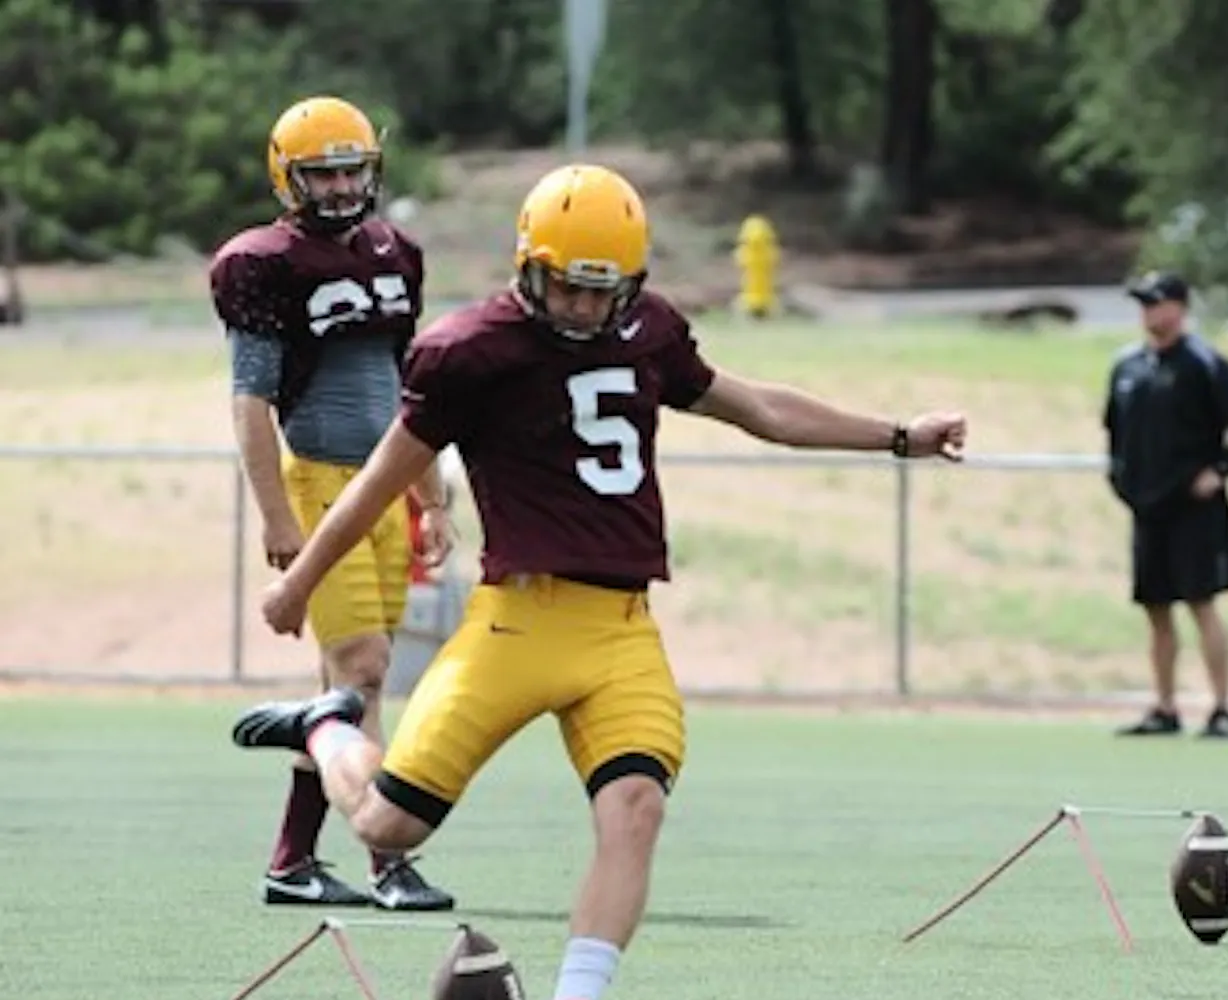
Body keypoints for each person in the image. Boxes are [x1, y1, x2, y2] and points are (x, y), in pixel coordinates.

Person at [229, 162, 967, 1000]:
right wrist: (299, 584)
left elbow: (762, 410)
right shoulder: (469, 351)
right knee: (387, 823)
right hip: (516, 623)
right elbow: (373, 484)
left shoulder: (648, 330)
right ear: (528, 266)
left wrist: (901, 436)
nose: (584, 307)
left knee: (636, 812)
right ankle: (326, 730)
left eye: (601, 290)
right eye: (567, 287)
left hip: (621, 629)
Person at [210, 95, 456, 910]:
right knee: (365, 669)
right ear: (290, 179)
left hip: (387, 486)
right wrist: (277, 513)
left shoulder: (395, 253)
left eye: (355, 168)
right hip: (319, 478)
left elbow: (409, 389)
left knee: (349, 694)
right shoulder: (265, 263)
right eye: (326, 173)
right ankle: (387, 857)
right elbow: (250, 402)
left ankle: (291, 862)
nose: (346, 185)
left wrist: (432, 495)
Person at [1104, 271, 1228, 739]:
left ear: (1179, 308)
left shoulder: (1203, 363)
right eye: (1144, 305)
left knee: (1202, 603)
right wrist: (1119, 477)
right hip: (1147, 506)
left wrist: (1220, 469)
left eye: (1157, 303)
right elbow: (1114, 428)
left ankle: (1221, 707)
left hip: (1194, 508)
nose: (1150, 313)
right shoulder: (1128, 366)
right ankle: (1164, 704)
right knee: (1156, 608)